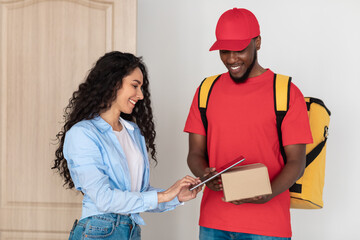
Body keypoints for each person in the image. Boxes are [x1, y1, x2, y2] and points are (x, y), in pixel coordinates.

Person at [184, 8, 313, 240]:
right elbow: (194, 153)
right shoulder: (206, 90)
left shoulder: (285, 93)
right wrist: (205, 175)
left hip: (267, 227)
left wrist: (268, 194)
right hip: (214, 223)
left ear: (258, 42)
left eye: (240, 49)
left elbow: (297, 162)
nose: (231, 59)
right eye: (224, 51)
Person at [52, 51, 202, 240]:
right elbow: (103, 198)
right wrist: (163, 196)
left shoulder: (133, 132)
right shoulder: (83, 134)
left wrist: (174, 196)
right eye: (135, 86)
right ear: (113, 83)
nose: (140, 95)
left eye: (141, 87)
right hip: (99, 231)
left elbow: (139, 195)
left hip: (130, 230)